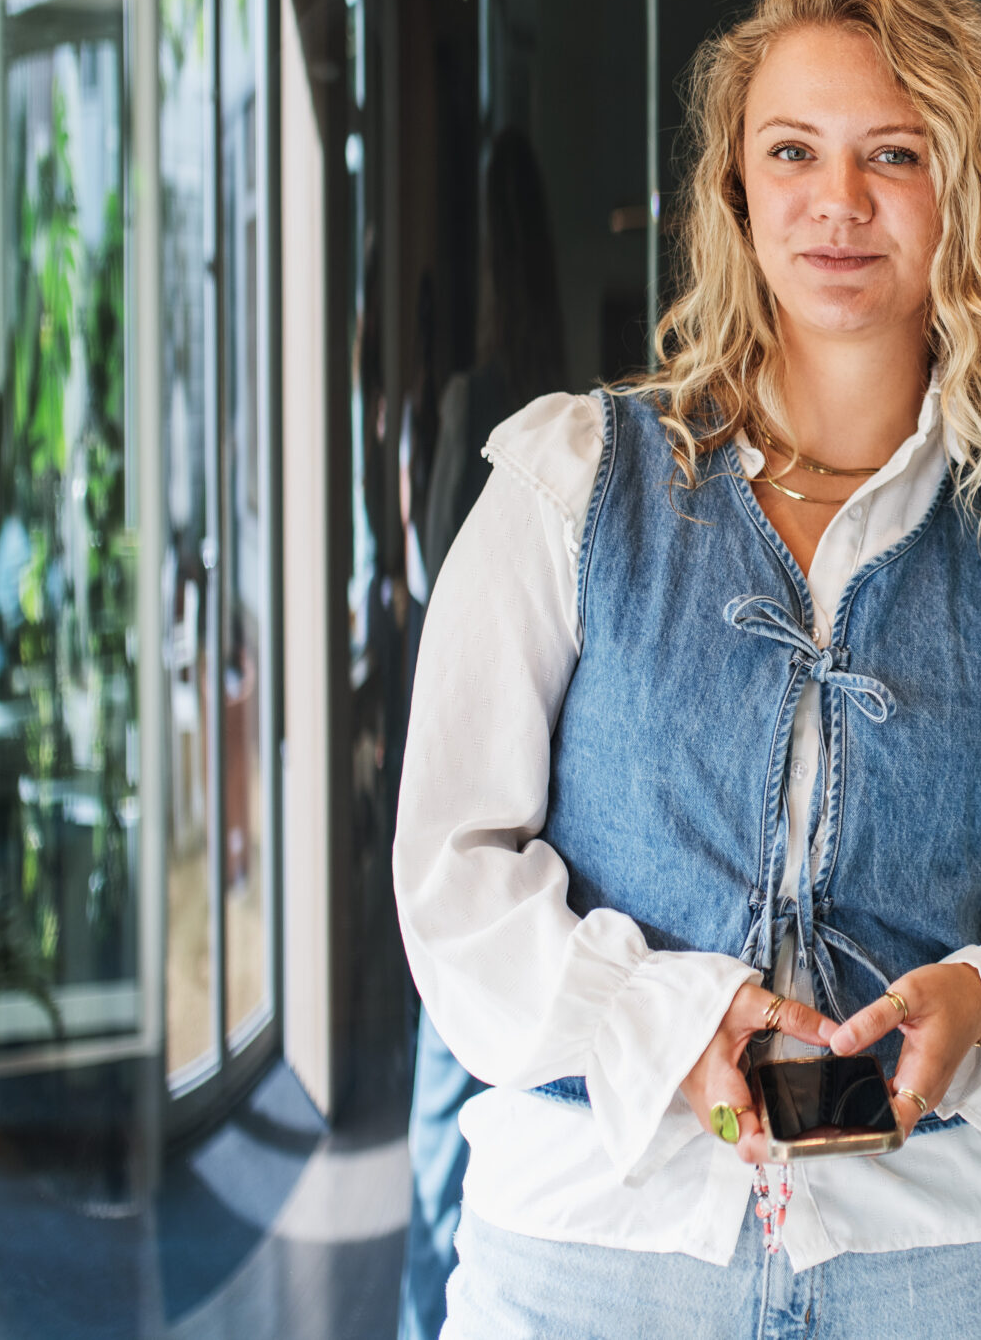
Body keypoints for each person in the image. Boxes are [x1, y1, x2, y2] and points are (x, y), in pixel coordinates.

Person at [393, 0, 981, 1340]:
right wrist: (664, 1015)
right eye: (793, 150)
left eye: (894, 153)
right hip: (601, 1231)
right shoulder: (570, 477)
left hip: (941, 1248)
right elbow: (452, 877)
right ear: (737, 189)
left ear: (968, 188)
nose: (838, 202)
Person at [399, 133, 569, 1340]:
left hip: (482, 734)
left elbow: (418, 566)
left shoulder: (499, 420)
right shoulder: (575, 404)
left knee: (452, 1081)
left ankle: (425, 1304)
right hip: (552, 770)